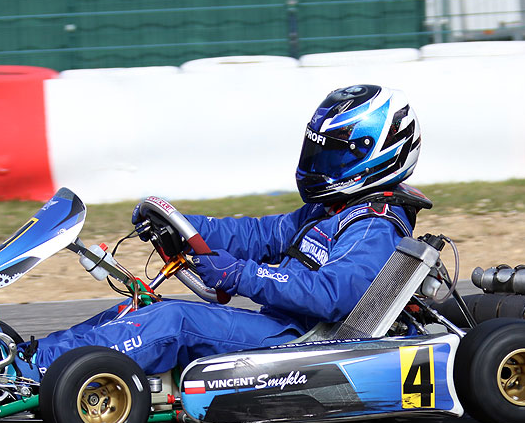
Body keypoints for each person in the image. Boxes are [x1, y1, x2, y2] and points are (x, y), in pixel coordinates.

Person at [24, 84, 427, 376]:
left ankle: (39, 373)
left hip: (306, 342)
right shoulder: (333, 209)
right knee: (140, 308)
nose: (320, 161)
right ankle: (29, 354)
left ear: (379, 153)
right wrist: (184, 226)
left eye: (334, 153)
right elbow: (260, 235)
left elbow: (333, 296)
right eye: (318, 149)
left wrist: (241, 275)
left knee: (174, 320)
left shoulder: (375, 225)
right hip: (281, 325)